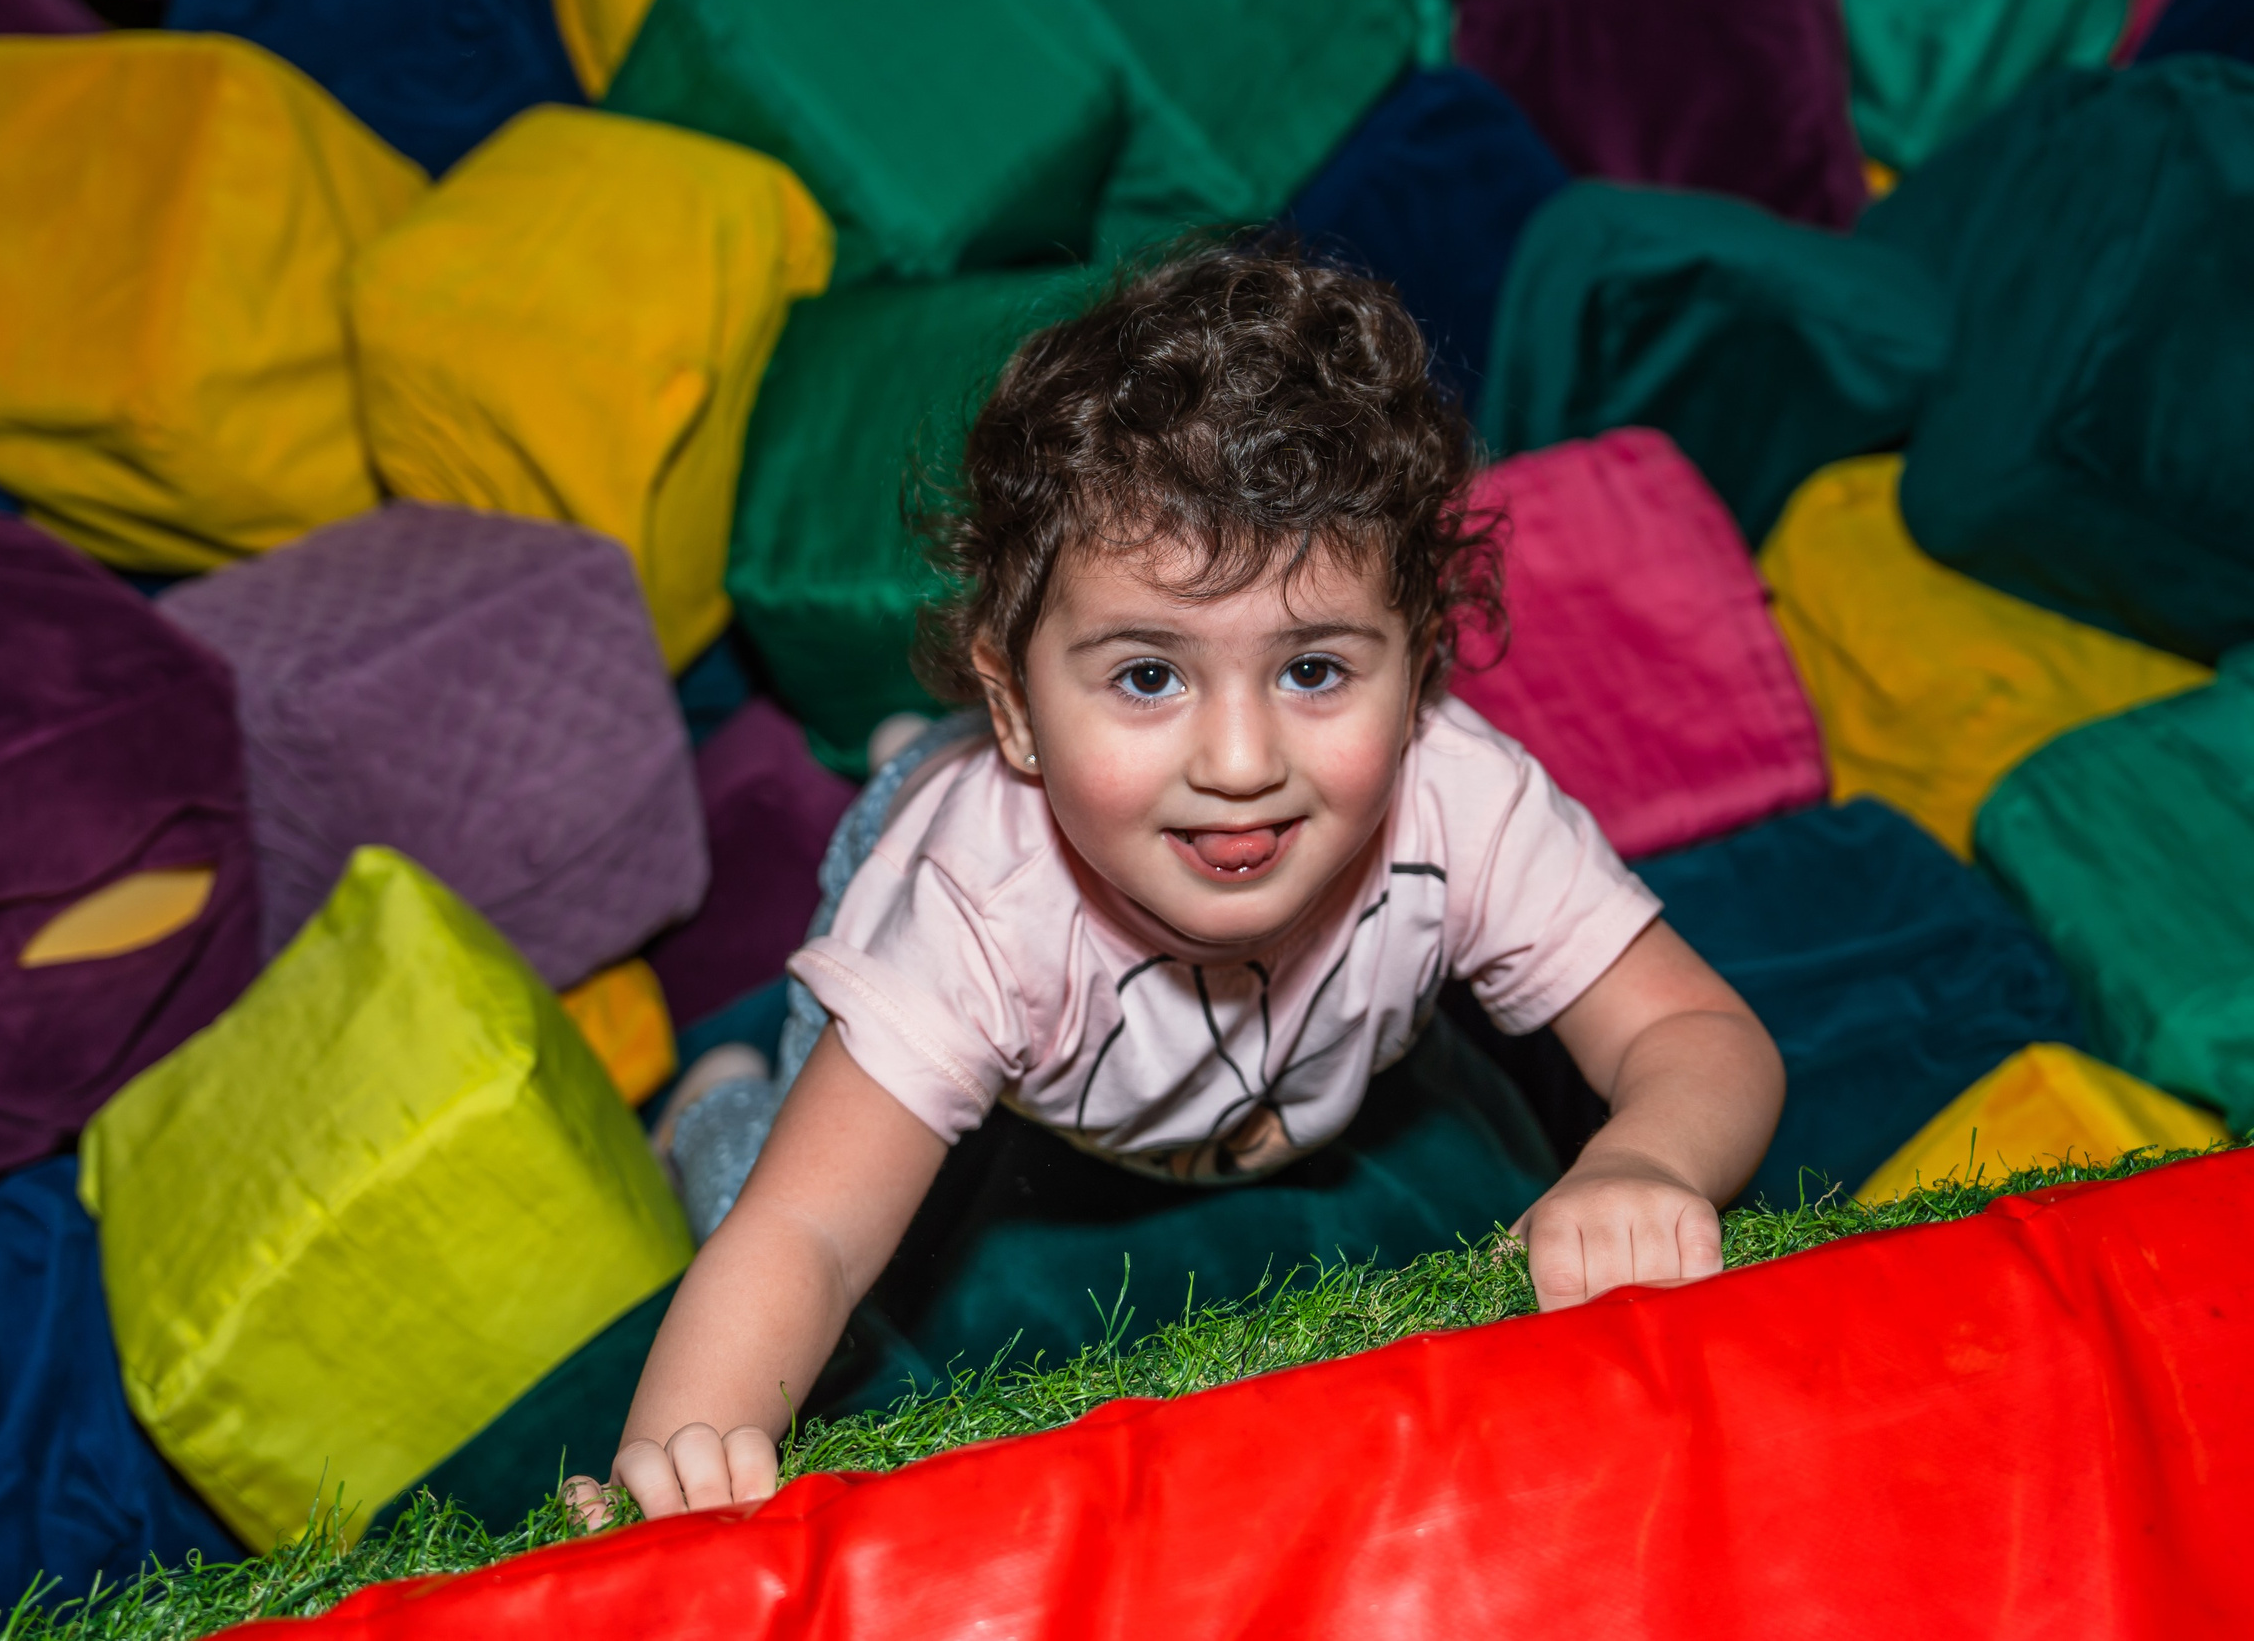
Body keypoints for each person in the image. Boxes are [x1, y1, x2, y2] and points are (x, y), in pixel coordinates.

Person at [573, 242, 1784, 1525]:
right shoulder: (973, 913)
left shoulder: (1457, 798)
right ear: (1018, 709)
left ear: (1419, 667)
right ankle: (714, 1098)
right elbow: (805, 1239)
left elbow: (1697, 1030)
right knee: (769, 1190)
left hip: (1175, 988)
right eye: (1149, 674)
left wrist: (1643, 1158)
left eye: (1313, 669)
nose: (1241, 763)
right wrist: (683, 1464)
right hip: (947, 870)